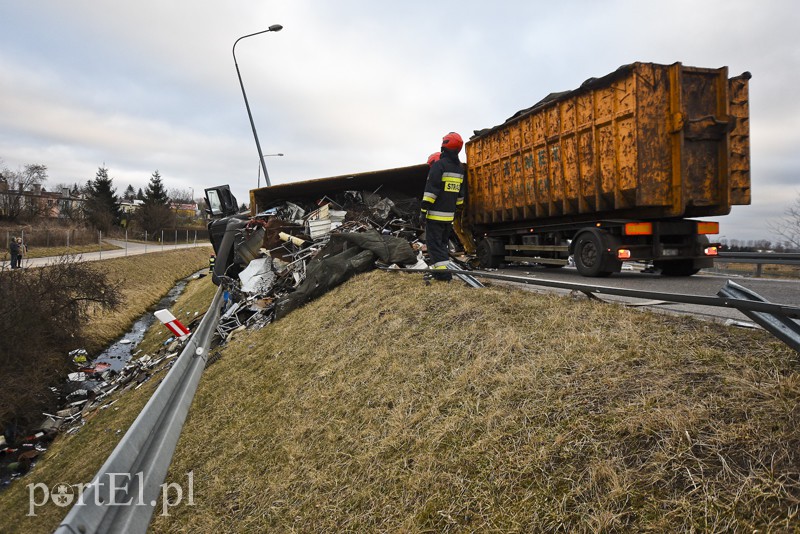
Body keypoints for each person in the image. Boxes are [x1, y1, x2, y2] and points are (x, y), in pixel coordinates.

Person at [420, 132, 466, 282]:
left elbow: (430, 192)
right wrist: (456, 210)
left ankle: (443, 276)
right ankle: (444, 273)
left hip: (434, 216)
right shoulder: (459, 169)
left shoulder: (439, 166)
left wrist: (423, 211)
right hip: (449, 217)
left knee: (434, 246)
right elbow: (460, 195)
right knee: (442, 246)